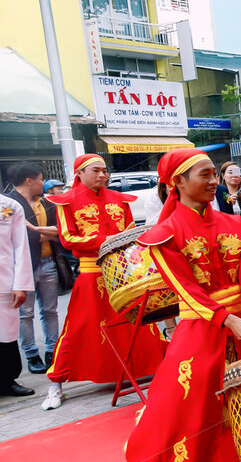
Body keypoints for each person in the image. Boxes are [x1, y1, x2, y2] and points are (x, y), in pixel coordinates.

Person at [106, 148, 241, 462]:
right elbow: (186, 287)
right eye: (204, 175)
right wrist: (226, 318)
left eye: (214, 173)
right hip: (202, 330)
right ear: (177, 183)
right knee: (190, 412)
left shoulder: (235, 223)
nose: (214, 180)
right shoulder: (164, 235)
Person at [42, 154, 165, 410]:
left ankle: (160, 367)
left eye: (104, 171)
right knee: (78, 326)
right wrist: (109, 240)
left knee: (139, 320)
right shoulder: (67, 202)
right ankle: (56, 383)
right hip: (91, 274)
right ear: (80, 173)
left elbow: (131, 230)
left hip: (123, 274)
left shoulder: (119, 199)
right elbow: (67, 239)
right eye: (96, 171)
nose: (102, 176)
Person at [5, 164, 59, 375]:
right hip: (21, 266)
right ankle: (31, 354)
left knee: (51, 310)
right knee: (25, 313)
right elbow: (15, 237)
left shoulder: (46, 202)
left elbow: (60, 231)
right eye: (40, 179)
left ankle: (52, 350)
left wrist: (35, 232)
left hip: (49, 262)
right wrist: (43, 234)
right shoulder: (8, 204)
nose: (42, 183)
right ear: (29, 181)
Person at [0, 194, 34, 397]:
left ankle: (6, 381)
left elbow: (20, 246)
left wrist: (20, 284)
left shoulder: (9, 206)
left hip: (4, 280)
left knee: (6, 334)